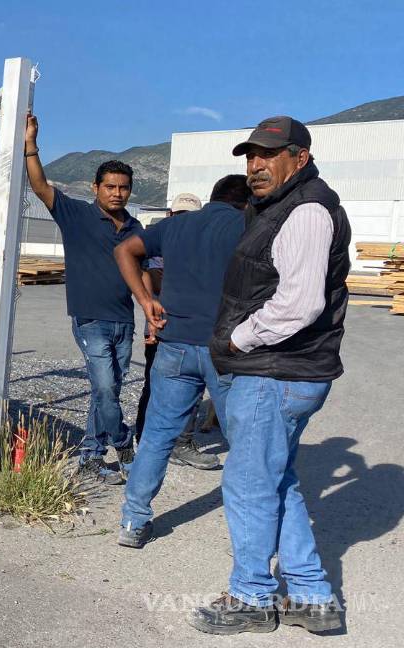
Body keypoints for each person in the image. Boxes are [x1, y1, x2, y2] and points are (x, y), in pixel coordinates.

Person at [189, 116, 350, 635]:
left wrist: (237, 339)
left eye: (268, 155)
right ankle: (312, 598)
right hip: (285, 370)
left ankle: (251, 597)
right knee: (277, 479)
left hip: (275, 371)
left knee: (249, 485)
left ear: (299, 158)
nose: (255, 165)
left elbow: (299, 305)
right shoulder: (281, 206)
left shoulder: (304, 211)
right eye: (250, 155)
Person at [113, 175, 250, 550]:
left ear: (212, 198)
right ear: (246, 201)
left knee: (157, 436)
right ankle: (249, 531)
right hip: (228, 349)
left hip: (174, 345)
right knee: (245, 441)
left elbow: (124, 250)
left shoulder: (175, 224)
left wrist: (145, 300)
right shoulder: (249, 225)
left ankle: (133, 520)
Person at [24, 113, 140, 485]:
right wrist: (31, 144)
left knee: (106, 390)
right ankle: (122, 443)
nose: (116, 193)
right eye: (109, 186)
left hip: (125, 320)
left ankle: (90, 456)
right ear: (95, 188)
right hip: (91, 319)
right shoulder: (75, 214)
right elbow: (41, 186)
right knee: (106, 387)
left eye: (123, 187)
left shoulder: (135, 228)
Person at [133, 193, 221, 470]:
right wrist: (149, 305)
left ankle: (180, 442)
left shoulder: (204, 247)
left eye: (190, 217)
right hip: (164, 326)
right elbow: (149, 276)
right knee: (156, 387)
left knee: (191, 389)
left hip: (193, 330)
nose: (184, 222)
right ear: (171, 216)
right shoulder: (160, 244)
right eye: (180, 216)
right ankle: (148, 439)